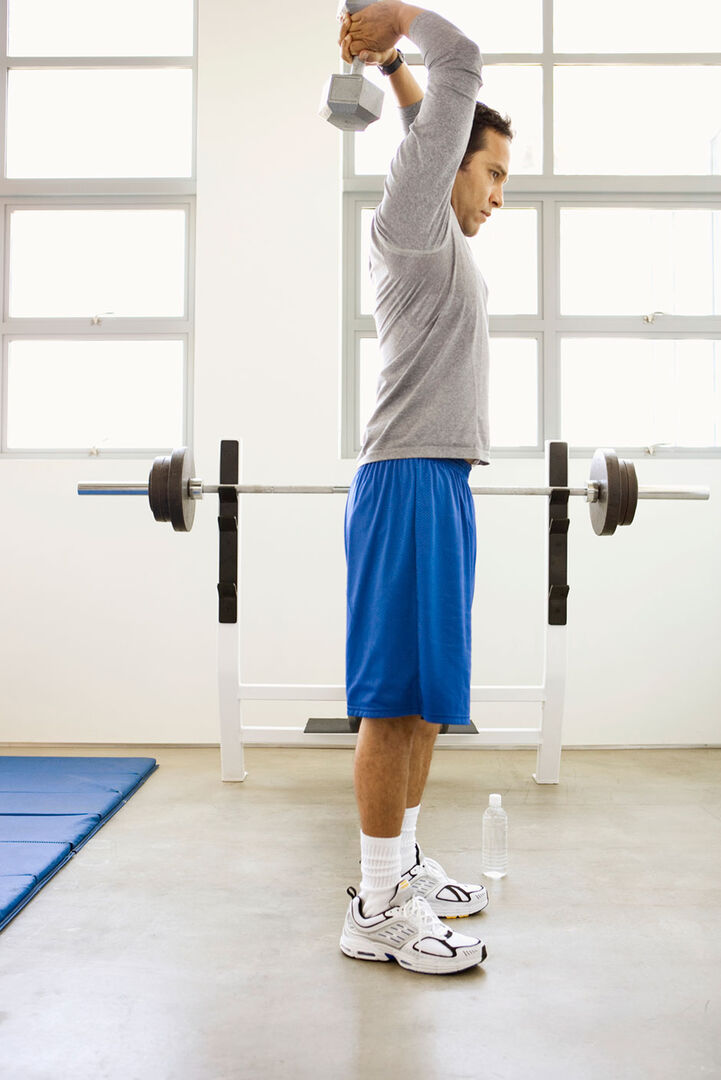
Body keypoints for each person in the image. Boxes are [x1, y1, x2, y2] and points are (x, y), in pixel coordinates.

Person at [337, 1, 513, 975]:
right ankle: (374, 908)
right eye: (491, 173)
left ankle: (398, 867)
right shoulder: (409, 222)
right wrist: (398, 20)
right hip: (404, 476)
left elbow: (427, 127)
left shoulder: (437, 228)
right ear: (446, 166)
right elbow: (464, 68)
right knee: (391, 706)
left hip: (441, 479)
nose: (496, 195)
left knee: (427, 703)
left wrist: (391, 68)